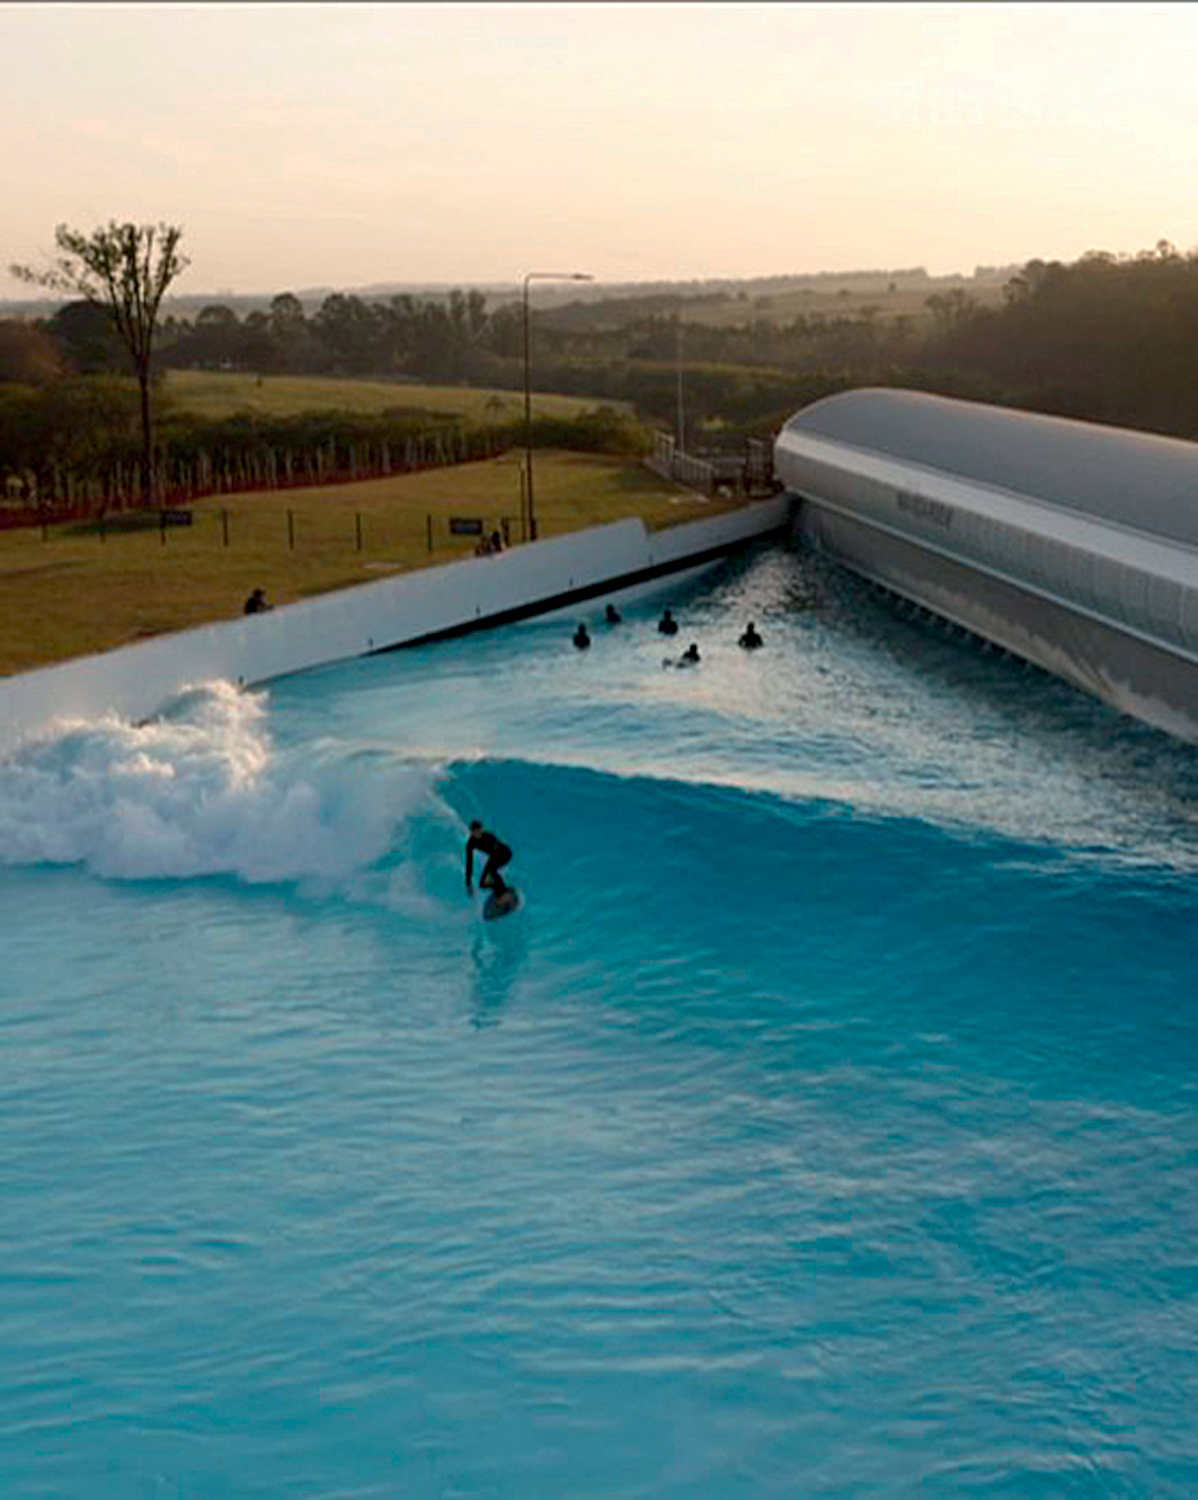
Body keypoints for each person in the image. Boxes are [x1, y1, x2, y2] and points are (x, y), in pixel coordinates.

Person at [465, 820, 513, 898]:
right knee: (482, 884)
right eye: (474, 831)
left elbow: (495, 853)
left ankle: (503, 892)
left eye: (478, 830)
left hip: (505, 854)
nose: (477, 833)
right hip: (494, 857)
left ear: (482, 830)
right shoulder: (471, 843)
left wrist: (489, 872)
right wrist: (468, 883)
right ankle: (498, 890)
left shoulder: (489, 837)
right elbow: (469, 863)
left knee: (492, 872)